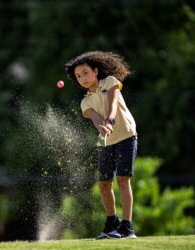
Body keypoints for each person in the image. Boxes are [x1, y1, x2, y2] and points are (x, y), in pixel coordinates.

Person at [65, 51, 137, 239]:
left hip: (126, 135)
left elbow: (113, 103)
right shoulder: (85, 102)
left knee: (123, 179)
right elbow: (96, 119)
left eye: (85, 72)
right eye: (78, 76)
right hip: (105, 141)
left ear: (95, 71)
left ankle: (127, 227)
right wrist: (102, 126)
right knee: (104, 184)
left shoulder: (110, 82)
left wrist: (111, 119)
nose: (82, 78)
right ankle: (112, 223)